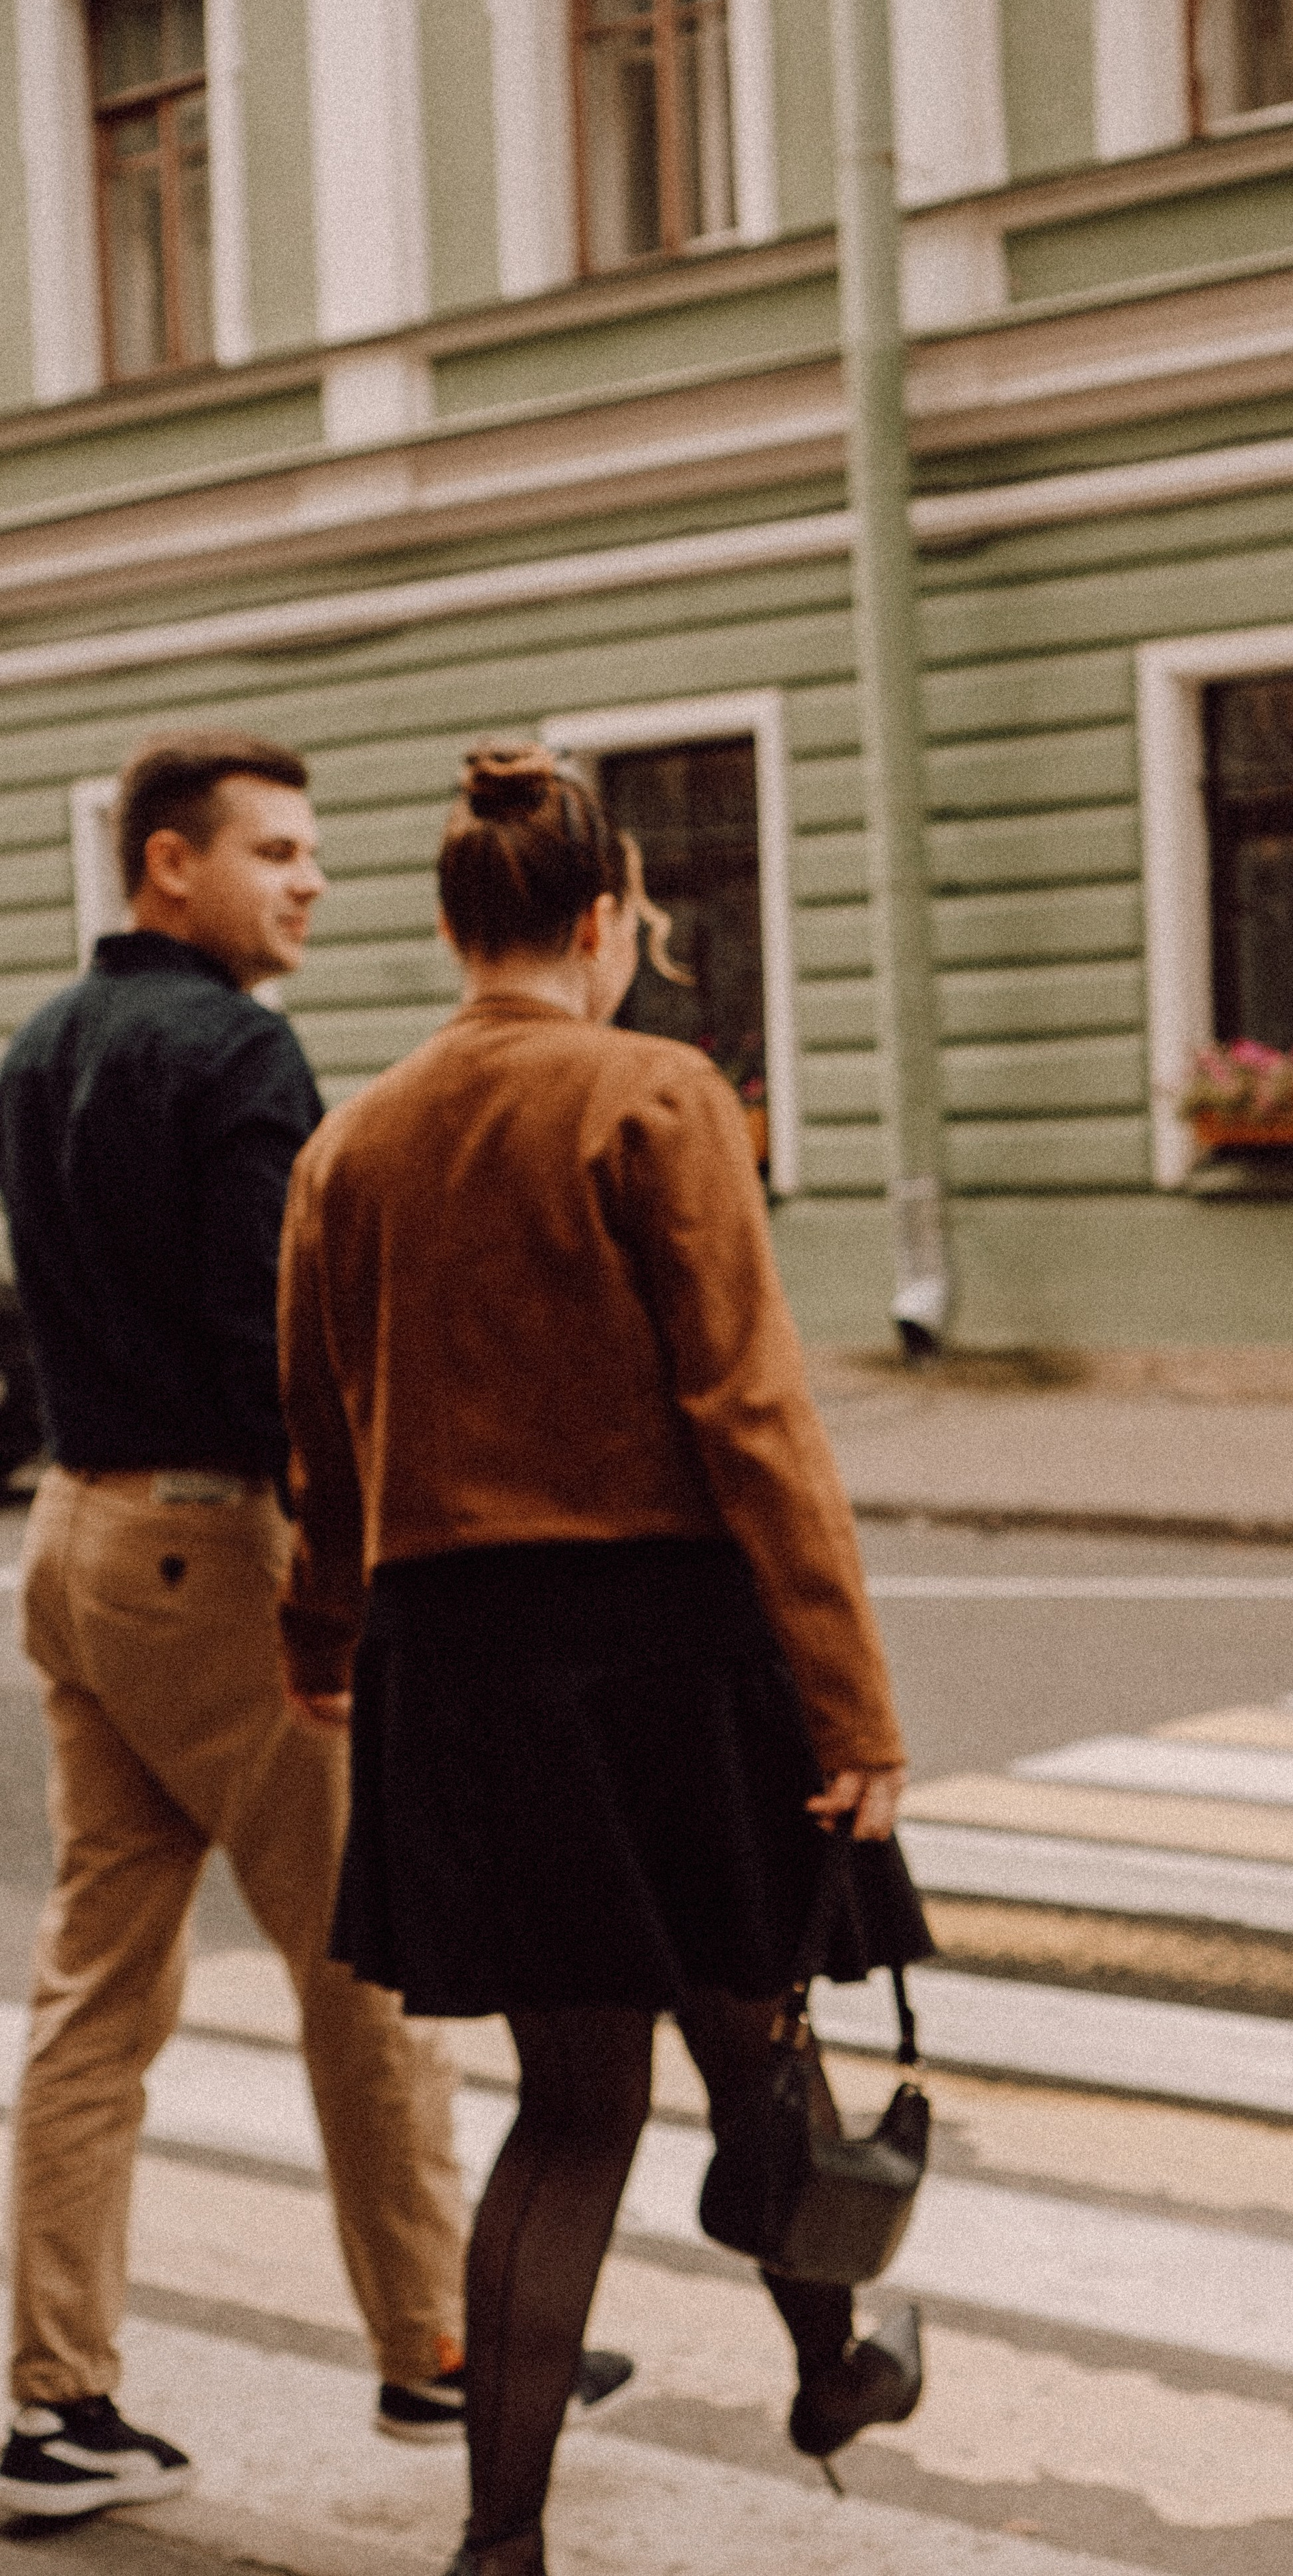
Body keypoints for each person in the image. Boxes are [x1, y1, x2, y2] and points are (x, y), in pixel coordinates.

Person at [277, 744, 933, 2576]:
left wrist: (320, 1640)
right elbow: (754, 1417)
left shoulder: (353, 1138)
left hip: (464, 1665)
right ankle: (818, 2378)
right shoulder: (655, 1092)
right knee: (738, 2037)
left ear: (446, 924)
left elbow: (322, 1437)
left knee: (601, 2102)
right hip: (667, 1652)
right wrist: (857, 1710)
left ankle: (527, 2534)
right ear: (601, 919)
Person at [0, 734, 627, 2521]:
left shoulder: (40, 1044)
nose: (312, 881)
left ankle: (54, 2404)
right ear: (164, 867)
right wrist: (349, 1572)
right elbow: (278, 1342)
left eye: (314, 852)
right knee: (361, 1960)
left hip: (77, 1541)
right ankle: (439, 2347)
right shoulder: (239, 1054)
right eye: (271, 850)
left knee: (94, 1998)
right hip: (214, 1550)